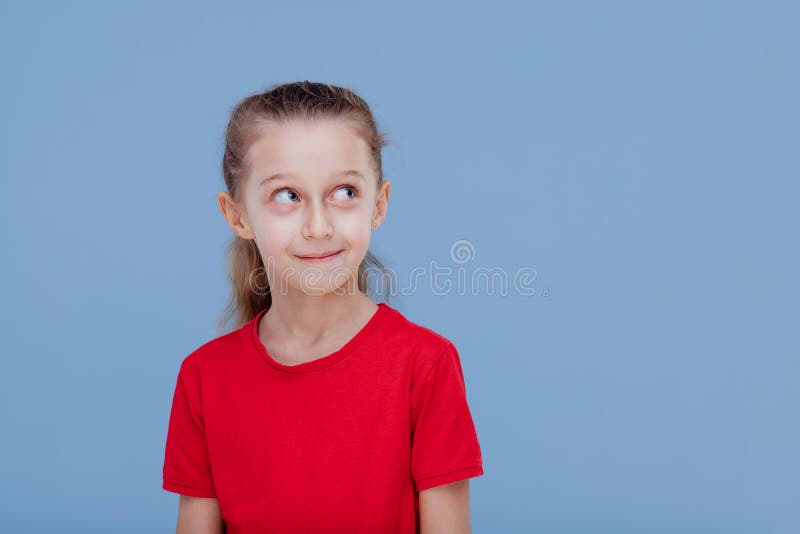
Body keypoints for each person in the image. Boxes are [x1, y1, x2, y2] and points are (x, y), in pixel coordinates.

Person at [161, 81, 484, 533]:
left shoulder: (425, 366)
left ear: (379, 204)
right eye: (287, 195)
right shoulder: (203, 378)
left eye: (345, 192)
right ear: (237, 216)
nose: (318, 226)